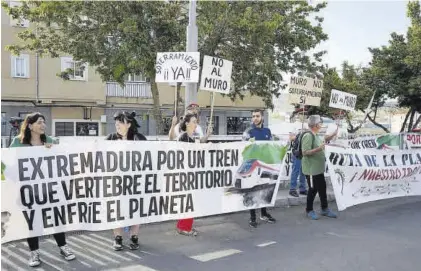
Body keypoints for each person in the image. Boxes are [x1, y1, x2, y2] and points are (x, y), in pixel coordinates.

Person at [9, 112, 76, 267]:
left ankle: (63, 247)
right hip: (28, 191)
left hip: (49, 190)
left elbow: (62, 160)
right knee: (33, 223)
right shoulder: (18, 142)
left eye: (44, 122)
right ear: (30, 125)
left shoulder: (50, 141)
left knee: (55, 219)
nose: (43, 125)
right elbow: (9, 164)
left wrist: (53, 150)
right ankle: (34, 253)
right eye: (39, 122)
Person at [106, 111, 146, 251]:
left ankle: (134, 237)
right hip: (116, 182)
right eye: (116, 121)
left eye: (121, 121)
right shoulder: (110, 138)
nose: (117, 124)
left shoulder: (138, 138)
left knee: (135, 209)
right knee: (116, 210)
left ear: (129, 124)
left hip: (135, 182)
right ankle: (118, 238)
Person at [176, 113, 212, 236]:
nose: (196, 123)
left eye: (196, 121)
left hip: (192, 173)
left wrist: (207, 136)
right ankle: (185, 227)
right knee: (189, 201)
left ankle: (183, 226)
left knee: (189, 201)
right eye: (194, 121)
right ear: (187, 123)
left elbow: (199, 144)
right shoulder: (182, 137)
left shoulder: (194, 136)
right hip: (186, 174)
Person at [242, 109, 276, 228]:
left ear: (262, 117)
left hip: (265, 165)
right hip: (252, 166)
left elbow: (272, 146)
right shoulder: (248, 131)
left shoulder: (267, 131)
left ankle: (264, 213)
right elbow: (243, 147)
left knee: (264, 189)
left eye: (257, 116)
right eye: (253, 116)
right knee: (253, 190)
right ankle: (252, 217)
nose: (255, 118)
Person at [301, 115, 338, 220]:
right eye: (320, 123)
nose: (322, 125)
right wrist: (319, 149)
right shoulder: (308, 136)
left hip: (318, 169)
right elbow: (305, 152)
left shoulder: (316, 134)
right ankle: (309, 210)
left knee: (322, 188)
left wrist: (333, 134)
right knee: (313, 190)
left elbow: (324, 139)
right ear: (316, 125)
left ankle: (324, 209)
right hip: (311, 169)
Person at [288, 122, 308, 197]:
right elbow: (290, 137)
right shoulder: (295, 125)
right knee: (295, 171)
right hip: (297, 153)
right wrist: (299, 136)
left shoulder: (307, 125)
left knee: (303, 171)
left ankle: (302, 189)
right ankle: (292, 189)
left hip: (304, 153)